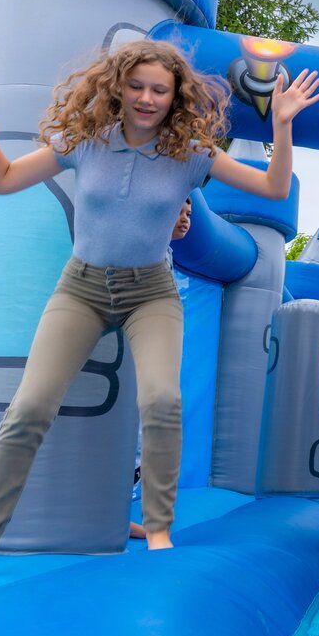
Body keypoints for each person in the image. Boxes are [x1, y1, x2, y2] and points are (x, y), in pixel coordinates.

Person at [0, 41, 319, 578]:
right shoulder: (85, 142)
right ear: (116, 86)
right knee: (28, 408)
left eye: (159, 89)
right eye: (136, 86)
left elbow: (274, 188)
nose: (146, 98)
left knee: (162, 400)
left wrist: (281, 123)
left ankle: (158, 532)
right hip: (81, 289)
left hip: (151, 293)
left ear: (176, 95)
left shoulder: (191, 155)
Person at [129, 196, 194, 541]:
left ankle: (115, 511)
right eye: (178, 212)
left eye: (189, 213)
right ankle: (108, 512)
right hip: (135, 357)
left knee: (143, 434)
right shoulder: (145, 247)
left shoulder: (165, 253)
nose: (185, 219)